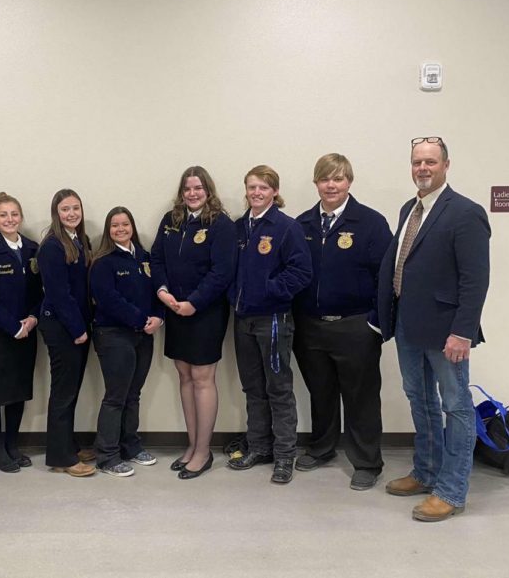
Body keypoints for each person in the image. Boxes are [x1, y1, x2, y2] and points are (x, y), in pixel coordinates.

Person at [377, 137, 491, 522]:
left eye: (429, 161)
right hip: (409, 324)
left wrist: (462, 332)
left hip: (447, 333)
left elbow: (475, 280)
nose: (422, 168)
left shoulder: (465, 212)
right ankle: (426, 472)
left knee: (455, 408)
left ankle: (451, 490)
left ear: (446, 164)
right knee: (420, 400)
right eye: (416, 162)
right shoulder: (410, 209)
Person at [291, 154, 392, 491]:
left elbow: (387, 278)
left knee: (361, 398)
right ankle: (321, 448)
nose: (331, 185)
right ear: (316, 183)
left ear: (349, 181)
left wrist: (376, 324)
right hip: (310, 326)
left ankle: (366, 462)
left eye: (338, 179)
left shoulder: (371, 223)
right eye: (324, 179)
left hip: (355, 326)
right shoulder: (301, 224)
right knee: (320, 392)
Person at [227, 165, 311, 484]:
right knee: (252, 387)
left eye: (263, 187)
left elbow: (301, 272)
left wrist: (269, 290)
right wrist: (236, 296)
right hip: (242, 318)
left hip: (274, 319)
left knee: (278, 388)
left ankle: (285, 454)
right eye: (251, 187)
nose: (256, 193)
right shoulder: (238, 228)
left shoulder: (286, 227)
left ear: (274, 191)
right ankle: (259, 446)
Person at [150, 166, 235, 479]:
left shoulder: (221, 224)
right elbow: (156, 258)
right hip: (174, 308)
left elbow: (222, 272)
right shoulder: (172, 220)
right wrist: (161, 290)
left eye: (198, 188)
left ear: (208, 190)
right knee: (183, 374)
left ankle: (203, 451)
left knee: (202, 377)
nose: (193, 193)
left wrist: (194, 303)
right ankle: (191, 444)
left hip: (206, 312)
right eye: (187, 188)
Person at [89, 206, 164, 477]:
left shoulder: (143, 257)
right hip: (113, 335)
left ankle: (130, 446)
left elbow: (159, 290)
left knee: (134, 394)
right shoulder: (103, 261)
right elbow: (108, 299)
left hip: (143, 335)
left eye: (125, 224)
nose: (120, 229)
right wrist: (141, 319)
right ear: (108, 231)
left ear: (132, 226)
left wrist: (158, 317)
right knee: (116, 397)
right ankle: (107, 456)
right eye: (114, 226)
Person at [0, 192, 43, 473]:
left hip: (27, 332)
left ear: (21, 217)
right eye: (3, 215)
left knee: (18, 391)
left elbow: (41, 292)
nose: (9, 219)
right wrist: (14, 327)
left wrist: (32, 319)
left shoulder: (33, 250)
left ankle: (13, 444)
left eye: (14, 214)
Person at [36, 189, 96, 477]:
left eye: (75, 208)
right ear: (56, 213)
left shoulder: (79, 241)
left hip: (77, 324)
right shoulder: (52, 246)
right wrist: (77, 330)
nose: (71, 213)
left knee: (71, 390)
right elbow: (59, 295)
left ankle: (68, 444)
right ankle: (61, 457)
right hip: (62, 326)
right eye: (65, 209)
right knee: (63, 392)